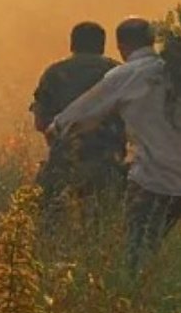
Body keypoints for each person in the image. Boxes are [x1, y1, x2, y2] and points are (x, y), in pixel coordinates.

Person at [48, 17, 181, 274]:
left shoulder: (126, 75)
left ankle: (135, 298)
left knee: (134, 252)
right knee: (151, 244)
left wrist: (57, 127)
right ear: (152, 41)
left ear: (122, 46)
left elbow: (85, 110)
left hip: (152, 178)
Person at [30, 22, 127, 212]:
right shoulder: (119, 73)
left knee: (49, 224)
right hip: (108, 164)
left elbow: (41, 122)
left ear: (72, 44)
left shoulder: (54, 73)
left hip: (63, 163)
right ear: (102, 44)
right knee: (105, 227)